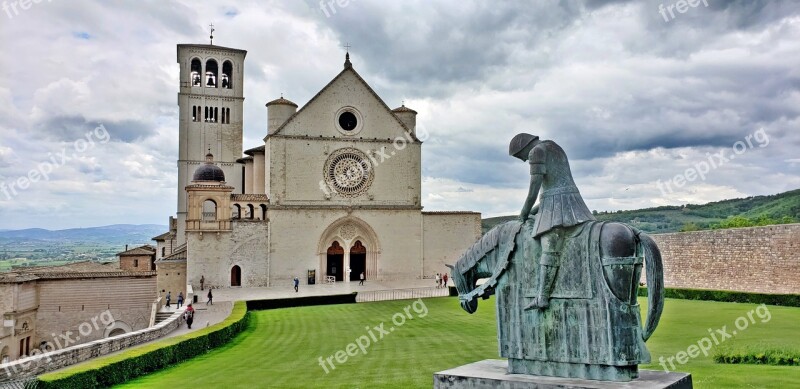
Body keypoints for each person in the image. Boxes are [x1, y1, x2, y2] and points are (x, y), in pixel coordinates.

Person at [509, 133, 595, 310]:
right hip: (567, 200)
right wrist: (533, 212)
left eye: (520, 156)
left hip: (560, 206)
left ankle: (542, 296)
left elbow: (534, 187)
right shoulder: (554, 146)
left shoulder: (536, 152)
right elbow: (552, 191)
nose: (524, 160)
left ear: (524, 147)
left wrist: (524, 212)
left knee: (549, 247)